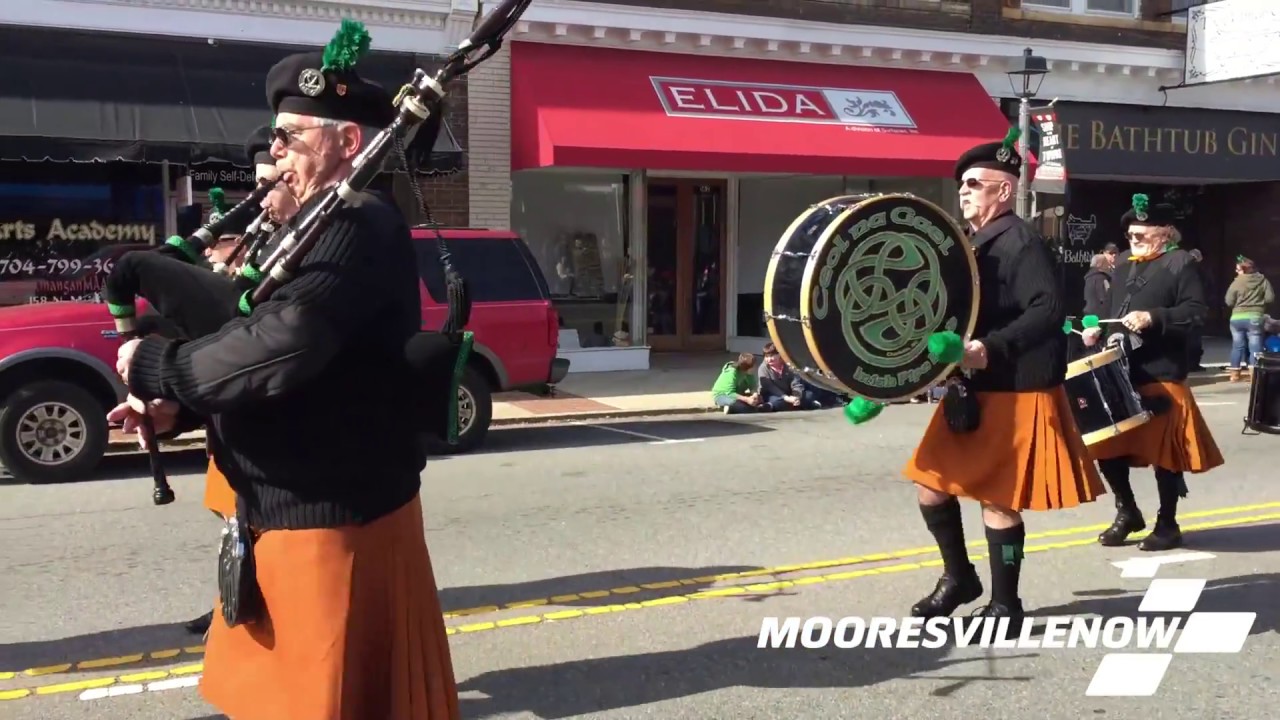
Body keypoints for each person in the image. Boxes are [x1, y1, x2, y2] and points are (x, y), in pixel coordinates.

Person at [108, 21, 459, 719]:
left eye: (290, 136)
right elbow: (243, 335)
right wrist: (180, 408)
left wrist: (159, 366)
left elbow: (284, 344)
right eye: (274, 137)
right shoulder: (301, 234)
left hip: (333, 527)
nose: (272, 154)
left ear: (348, 143)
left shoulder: (362, 227)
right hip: (275, 515)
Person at [903, 131, 1105, 624]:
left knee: (998, 499)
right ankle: (959, 577)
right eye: (961, 184)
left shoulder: (1021, 240)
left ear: (1004, 190)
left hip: (1014, 385)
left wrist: (987, 348)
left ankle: (1006, 604)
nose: (964, 191)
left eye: (974, 183)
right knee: (931, 482)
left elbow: (1047, 310)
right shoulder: (974, 241)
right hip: (972, 386)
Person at [182, 125, 285, 638]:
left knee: (258, 514)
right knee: (232, 511)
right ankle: (232, 588)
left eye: (272, 182)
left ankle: (246, 593)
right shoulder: (258, 231)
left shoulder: (291, 235)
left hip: (265, 399)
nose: (264, 195)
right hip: (232, 399)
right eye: (261, 183)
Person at [1082, 194, 1224, 552]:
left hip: (1161, 370)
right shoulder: (1124, 263)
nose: (1134, 240)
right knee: (1107, 445)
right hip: (1120, 370)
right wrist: (1091, 326)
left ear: (1164, 233)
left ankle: (1167, 523)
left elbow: (1195, 312)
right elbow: (1105, 308)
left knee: (1165, 455)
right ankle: (1127, 510)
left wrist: (1154, 318)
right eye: (1131, 234)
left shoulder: (1180, 263)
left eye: (1141, 235)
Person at [1224, 255, 1275, 382]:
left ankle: (1234, 374)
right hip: (1255, 317)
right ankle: (1255, 374)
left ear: (1244, 270)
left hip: (1237, 318)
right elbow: (1270, 298)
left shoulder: (1236, 282)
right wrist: (1258, 304)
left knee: (1237, 346)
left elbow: (1228, 301)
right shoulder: (1263, 281)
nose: (1236, 272)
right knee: (1255, 345)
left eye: (1238, 269)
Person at [757, 343, 821, 410]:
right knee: (778, 401)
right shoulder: (763, 368)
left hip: (789, 393)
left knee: (808, 395)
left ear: (779, 354)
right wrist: (786, 398)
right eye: (766, 357)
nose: (769, 359)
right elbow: (771, 388)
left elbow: (796, 383)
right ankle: (768, 406)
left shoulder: (789, 365)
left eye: (772, 356)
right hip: (773, 394)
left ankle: (804, 403)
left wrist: (796, 397)